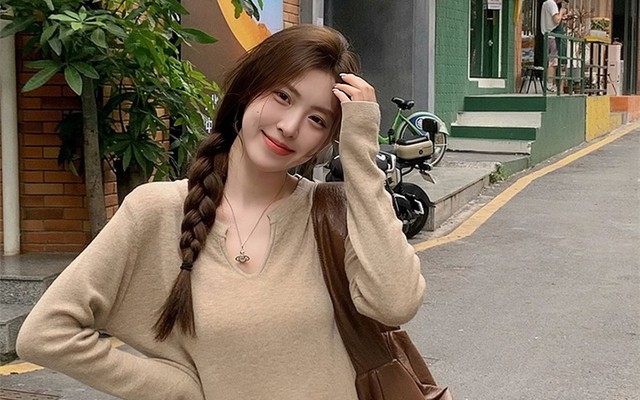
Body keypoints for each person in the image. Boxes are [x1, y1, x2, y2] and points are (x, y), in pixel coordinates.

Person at [16, 24, 426, 399]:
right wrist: (176, 389)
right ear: (247, 92)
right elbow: (46, 334)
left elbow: (395, 304)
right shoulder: (156, 211)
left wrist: (360, 153)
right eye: (282, 97)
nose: (289, 126)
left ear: (324, 142)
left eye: (317, 120)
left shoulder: (332, 213)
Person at [540, 0, 567, 92]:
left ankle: (552, 84)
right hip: (553, 36)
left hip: (550, 35)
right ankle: (549, 84)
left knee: (555, 61)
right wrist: (561, 12)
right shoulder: (551, 3)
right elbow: (556, 20)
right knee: (553, 61)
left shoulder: (546, 4)